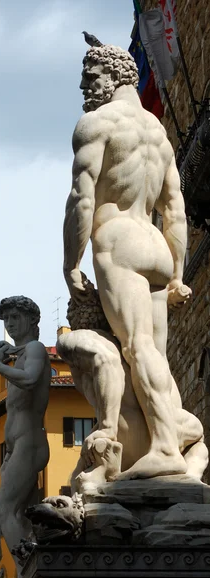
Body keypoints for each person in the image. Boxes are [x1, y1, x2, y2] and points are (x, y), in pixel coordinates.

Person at [63, 44, 192, 480]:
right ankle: (172, 440)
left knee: (136, 348)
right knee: (153, 354)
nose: (85, 85)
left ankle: (164, 450)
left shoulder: (98, 124)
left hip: (119, 242)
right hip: (155, 243)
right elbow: (174, 208)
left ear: (117, 75)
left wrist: (70, 263)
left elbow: (82, 199)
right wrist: (177, 272)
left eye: (92, 74)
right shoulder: (159, 135)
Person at [0, 296, 51, 578]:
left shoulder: (36, 350)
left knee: (4, 513)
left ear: (31, 320)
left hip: (31, 441)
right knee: (24, 521)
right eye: (6, 320)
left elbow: (29, 380)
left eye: (15, 317)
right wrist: (8, 451)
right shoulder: (21, 354)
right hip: (18, 448)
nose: (10, 324)